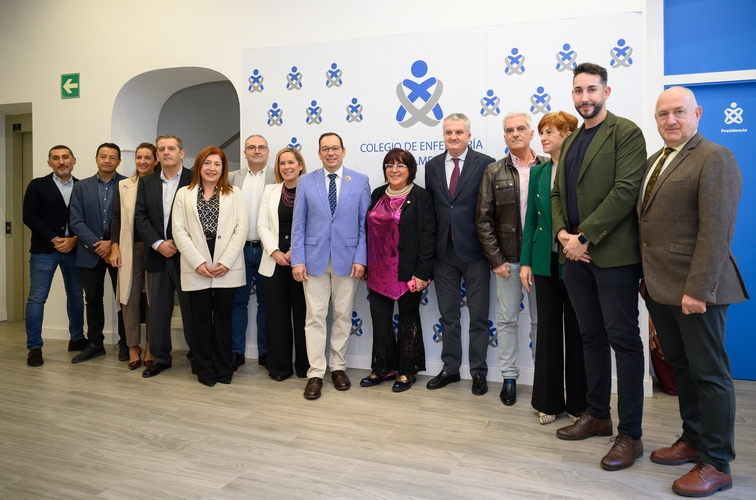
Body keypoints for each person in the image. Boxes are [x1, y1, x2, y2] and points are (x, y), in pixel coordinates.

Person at [640, 87, 747, 497]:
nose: (670, 120)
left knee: (710, 374)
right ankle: (694, 438)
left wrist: (698, 290)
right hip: (660, 288)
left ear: (697, 113)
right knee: (682, 368)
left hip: (695, 290)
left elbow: (717, 231)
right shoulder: (655, 160)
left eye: (679, 112)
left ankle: (717, 462)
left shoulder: (715, 157)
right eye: (663, 113)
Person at [551, 62, 647, 471]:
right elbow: (556, 194)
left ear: (606, 92)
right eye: (578, 90)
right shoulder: (572, 139)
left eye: (591, 89)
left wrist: (584, 237)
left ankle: (630, 435)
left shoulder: (626, 132)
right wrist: (563, 236)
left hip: (612, 257)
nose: (584, 97)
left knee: (623, 341)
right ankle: (597, 415)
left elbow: (625, 191)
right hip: (575, 257)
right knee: (590, 336)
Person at [291, 132, 371, 400]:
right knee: (314, 316)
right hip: (313, 259)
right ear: (319, 153)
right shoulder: (306, 181)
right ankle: (315, 373)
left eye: (335, 148)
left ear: (343, 151)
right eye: (325, 149)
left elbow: (364, 225)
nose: (330, 153)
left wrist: (361, 258)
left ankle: (338, 367)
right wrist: (297, 260)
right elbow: (298, 224)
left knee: (342, 315)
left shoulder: (359, 181)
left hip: (347, 260)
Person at [520, 111, 587, 424]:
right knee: (546, 330)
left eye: (550, 132)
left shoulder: (583, 168)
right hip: (543, 262)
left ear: (568, 134)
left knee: (577, 331)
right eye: (542, 131)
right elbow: (530, 220)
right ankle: (547, 402)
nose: (543, 137)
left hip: (575, 261)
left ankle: (579, 404)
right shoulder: (539, 171)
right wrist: (526, 262)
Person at [424, 113, 495, 395]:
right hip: (443, 253)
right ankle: (450, 369)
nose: (453, 137)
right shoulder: (431, 166)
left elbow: (491, 208)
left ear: (468, 136)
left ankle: (478, 371)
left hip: (476, 252)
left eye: (458, 132)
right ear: (444, 135)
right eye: (448, 132)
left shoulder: (486, 163)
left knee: (479, 317)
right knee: (448, 316)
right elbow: (432, 210)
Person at [476, 111, 545, 405]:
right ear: (504, 136)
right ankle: (509, 377)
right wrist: (496, 259)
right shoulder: (493, 171)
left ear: (531, 133)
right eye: (509, 130)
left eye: (520, 128)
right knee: (506, 321)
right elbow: (483, 220)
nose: (515, 133)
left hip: (541, 261)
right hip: (508, 261)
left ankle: (544, 379)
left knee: (542, 322)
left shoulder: (548, 166)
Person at [361, 148, 435, 392]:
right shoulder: (377, 194)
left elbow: (429, 236)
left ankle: (407, 370)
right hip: (378, 271)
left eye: (400, 165)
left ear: (410, 169)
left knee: (408, 320)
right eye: (390, 165)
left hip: (408, 272)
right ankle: (383, 368)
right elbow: (367, 231)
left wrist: (422, 273)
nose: (394, 170)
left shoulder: (421, 196)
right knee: (380, 320)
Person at [173, 146, 247, 387]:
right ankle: (204, 368)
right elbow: (179, 231)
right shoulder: (184, 194)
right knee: (201, 319)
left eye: (217, 164)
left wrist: (226, 261)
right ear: (199, 166)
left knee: (224, 319)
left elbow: (241, 229)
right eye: (207, 163)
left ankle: (224, 369)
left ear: (223, 169)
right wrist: (197, 262)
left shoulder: (234, 193)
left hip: (227, 263)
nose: (212, 168)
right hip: (196, 263)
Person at [134, 134, 194, 378]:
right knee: (158, 310)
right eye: (161, 149)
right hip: (157, 256)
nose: (166, 152)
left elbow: (201, 216)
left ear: (181, 152)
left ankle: (197, 356)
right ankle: (160, 358)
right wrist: (159, 244)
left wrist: (179, 244)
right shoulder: (147, 182)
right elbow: (140, 217)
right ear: (157, 155)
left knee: (192, 309)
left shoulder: (195, 178)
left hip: (188, 257)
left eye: (171, 148)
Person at [22, 145, 87, 366]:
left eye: (65, 157)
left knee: (76, 296)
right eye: (56, 158)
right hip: (44, 250)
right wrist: (54, 238)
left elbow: (87, 219)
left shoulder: (82, 186)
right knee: (37, 299)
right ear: (49, 162)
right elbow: (29, 216)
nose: (61, 162)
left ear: (74, 160)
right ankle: (34, 348)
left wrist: (75, 239)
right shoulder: (37, 185)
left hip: (74, 250)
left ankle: (77, 338)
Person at [69, 143, 127, 363]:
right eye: (103, 156)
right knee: (92, 300)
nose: (107, 160)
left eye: (112, 157)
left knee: (123, 299)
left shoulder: (127, 185)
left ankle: (126, 343)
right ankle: (95, 343)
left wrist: (112, 243)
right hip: (89, 253)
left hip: (118, 251)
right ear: (96, 159)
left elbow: (130, 220)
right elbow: (76, 221)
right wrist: (98, 245)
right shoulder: (81, 187)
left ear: (119, 161)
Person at [258, 148, 309, 381]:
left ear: (300, 165)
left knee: (304, 316)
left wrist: (294, 251)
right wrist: (274, 251)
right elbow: (262, 225)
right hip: (274, 262)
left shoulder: (310, 189)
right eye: (282, 163)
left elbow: (314, 224)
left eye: (291, 162)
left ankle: (305, 367)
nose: (286, 167)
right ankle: (279, 367)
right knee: (276, 317)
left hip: (302, 261)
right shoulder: (270, 191)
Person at [110, 143, 159, 370]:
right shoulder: (124, 185)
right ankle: (132, 346)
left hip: (155, 247)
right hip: (130, 247)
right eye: (139, 157)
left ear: (156, 161)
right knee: (129, 297)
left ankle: (150, 346)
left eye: (148, 157)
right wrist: (115, 247)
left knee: (153, 298)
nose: (142, 161)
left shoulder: (161, 184)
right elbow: (116, 217)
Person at [229, 135, 275, 371]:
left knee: (267, 304)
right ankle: (236, 352)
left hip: (269, 251)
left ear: (268, 152)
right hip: (239, 250)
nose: (257, 151)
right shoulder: (230, 178)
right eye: (252, 148)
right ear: (245, 152)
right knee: (238, 302)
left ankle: (266, 352)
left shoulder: (278, 176)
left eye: (261, 147)